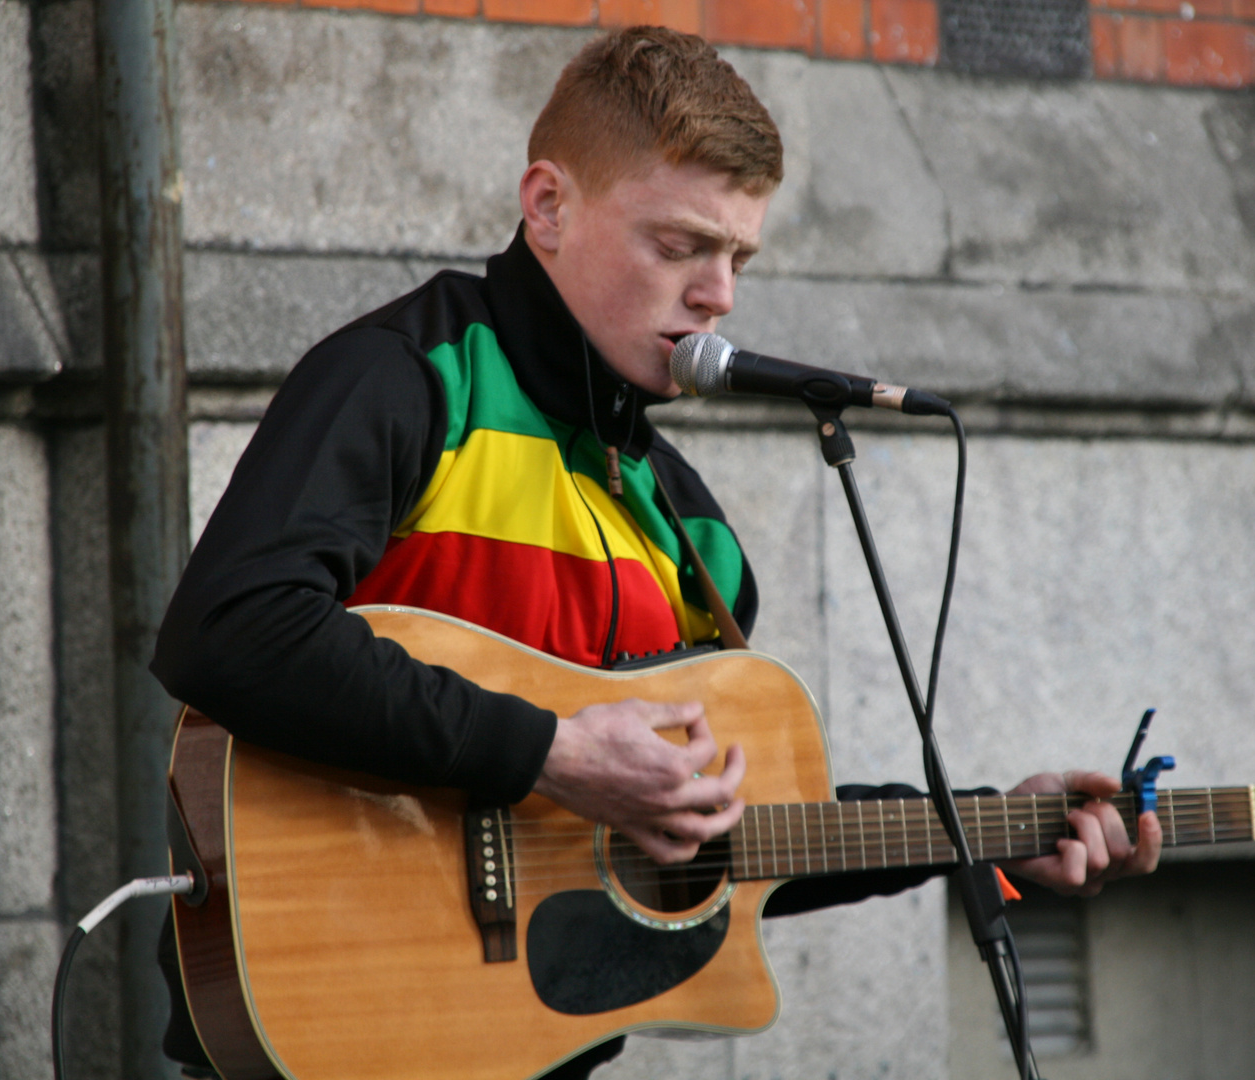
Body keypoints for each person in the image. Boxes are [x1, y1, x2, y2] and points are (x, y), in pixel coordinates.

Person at [152, 25, 1161, 1079]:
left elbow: (723, 843)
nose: (719, 294)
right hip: (329, 1017)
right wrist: (555, 754)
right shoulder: (410, 380)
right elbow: (229, 629)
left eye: (738, 257)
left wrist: (989, 830)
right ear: (547, 206)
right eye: (680, 246)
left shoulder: (696, 534)